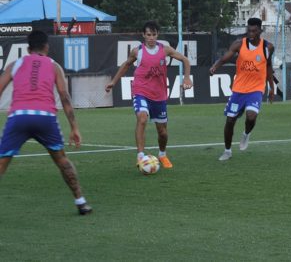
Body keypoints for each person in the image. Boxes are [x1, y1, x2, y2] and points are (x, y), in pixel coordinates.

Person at [0, 30, 92, 215]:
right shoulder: (54, 66)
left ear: (27, 48)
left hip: (19, 117)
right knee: (62, 161)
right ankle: (80, 201)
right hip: (45, 118)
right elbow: (64, 97)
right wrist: (74, 128)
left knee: (2, 163)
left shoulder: (14, 65)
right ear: (46, 47)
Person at [105, 20, 193, 169]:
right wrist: (113, 82)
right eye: (148, 35)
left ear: (157, 35)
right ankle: (140, 156)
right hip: (141, 92)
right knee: (142, 118)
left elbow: (185, 60)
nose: (151, 37)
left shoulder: (165, 50)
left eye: (154, 34)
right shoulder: (137, 51)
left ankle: (162, 154)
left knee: (163, 132)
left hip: (159, 96)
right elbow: (126, 65)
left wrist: (186, 77)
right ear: (143, 35)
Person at [209, 17, 275, 161]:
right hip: (239, 89)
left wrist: (271, 87)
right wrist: (216, 66)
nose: (250, 33)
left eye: (254, 31)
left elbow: (268, 66)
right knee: (230, 120)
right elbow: (226, 58)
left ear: (260, 31)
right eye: (248, 30)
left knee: (251, 116)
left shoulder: (267, 47)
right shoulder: (239, 44)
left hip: (256, 89)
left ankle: (246, 134)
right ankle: (227, 151)